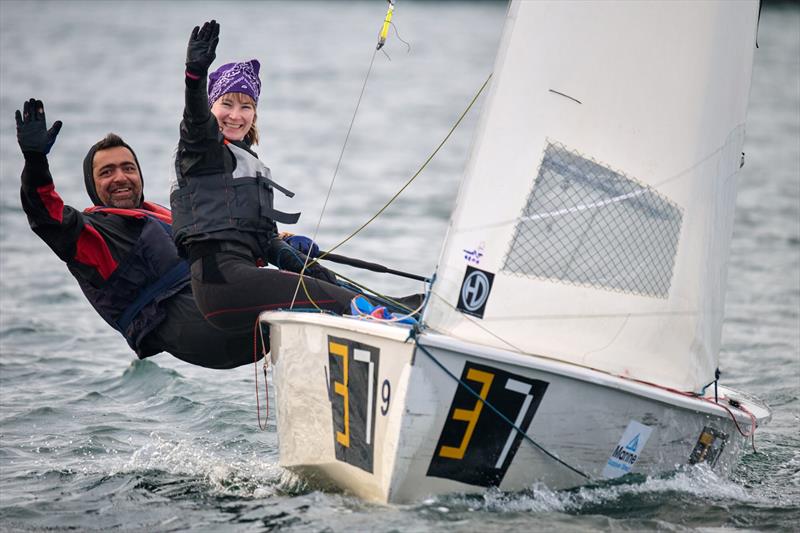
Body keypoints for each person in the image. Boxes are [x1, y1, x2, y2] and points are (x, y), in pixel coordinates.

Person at [169, 20, 387, 336]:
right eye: (226, 103)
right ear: (211, 105)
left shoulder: (251, 165)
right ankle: (381, 319)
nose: (235, 114)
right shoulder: (201, 149)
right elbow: (195, 120)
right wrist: (194, 78)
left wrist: (308, 266)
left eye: (246, 106)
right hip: (220, 283)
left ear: (254, 114)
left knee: (341, 293)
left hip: (240, 279)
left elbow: (265, 242)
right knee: (351, 304)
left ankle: (382, 311)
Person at [16, 98, 257, 369]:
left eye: (128, 168)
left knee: (306, 290)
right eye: (107, 172)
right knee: (299, 303)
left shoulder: (164, 215)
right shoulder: (92, 237)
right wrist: (35, 162)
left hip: (222, 300)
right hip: (197, 331)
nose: (120, 177)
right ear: (92, 185)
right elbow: (47, 216)